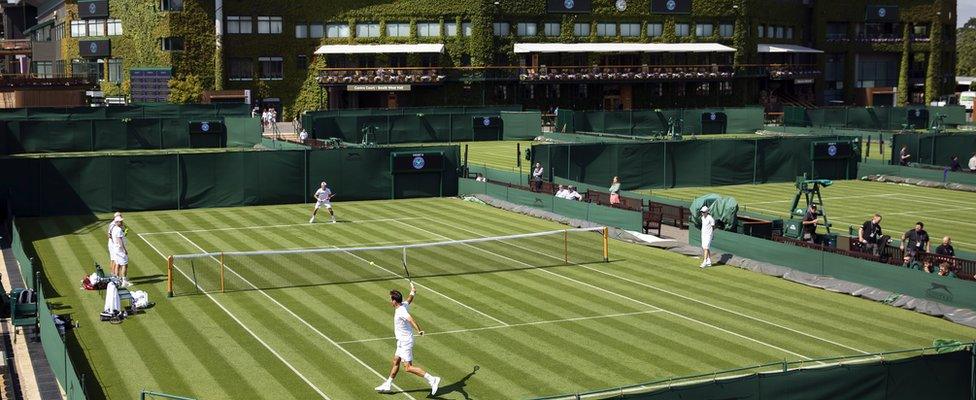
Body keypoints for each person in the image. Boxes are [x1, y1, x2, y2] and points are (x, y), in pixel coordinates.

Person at [375, 283, 441, 395]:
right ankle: (388, 384)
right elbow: (409, 300)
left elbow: (411, 320)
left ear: (395, 301)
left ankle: (432, 379)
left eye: (391, 299)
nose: (390, 301)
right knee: (396, 361)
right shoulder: (403, 305)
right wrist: (412, 292)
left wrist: (419, 330)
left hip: (405, 342)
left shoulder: (401, 311)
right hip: (401, 342)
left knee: (408, 367)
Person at [111, 216, 130, 287]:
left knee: (118, 264)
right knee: (125, 265)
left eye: (122, 221)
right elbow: (119, 241)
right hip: (120, 250)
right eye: (120, 221)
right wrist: (124, 250)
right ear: (116, 222)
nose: (122, 222)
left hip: (116, 249)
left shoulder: (115, 229)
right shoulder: (118, 230)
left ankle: (118, 280)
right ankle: (124, 282)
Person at [107, 212, 121, 276]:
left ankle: (113, 274)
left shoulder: (115, 224)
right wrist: (117, 240)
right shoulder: (113, 225)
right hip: (113, 245)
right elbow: (109, 235)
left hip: (113, 244)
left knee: (113, 260)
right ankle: (114, 275)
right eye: (120, 216)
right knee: (115, 260)